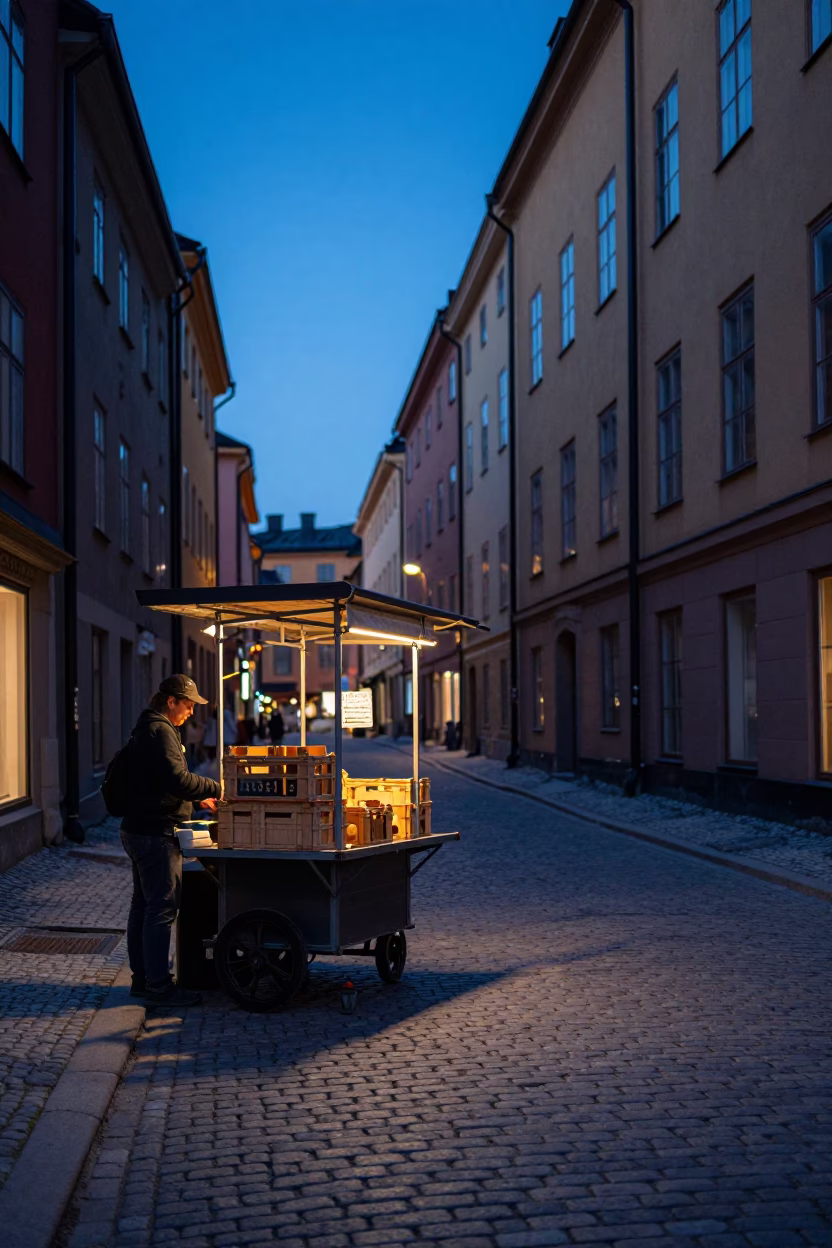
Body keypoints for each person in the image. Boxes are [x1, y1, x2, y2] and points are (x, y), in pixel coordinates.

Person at [121, 674, 221, 1008]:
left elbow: (161, 781)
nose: (192, 711)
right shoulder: (160, 730)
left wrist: (196, 801)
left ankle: (142, 981)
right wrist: (214, 788)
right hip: (155, 834)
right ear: (171, 701)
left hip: (140, 828)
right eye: (188, 704)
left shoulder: (148, 727)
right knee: (161, 909)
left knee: (144, 907)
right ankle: (160, 988)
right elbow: (177, 779)